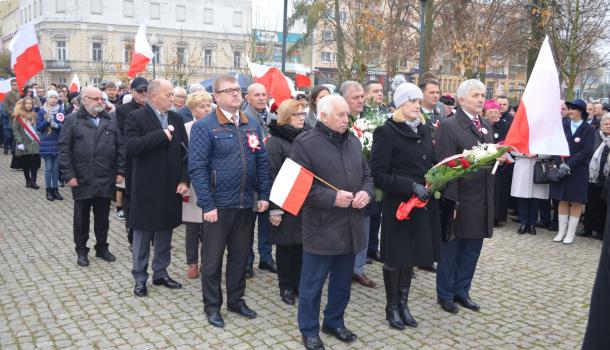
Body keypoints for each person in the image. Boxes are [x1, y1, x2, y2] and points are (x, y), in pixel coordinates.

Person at [291, 94, 374, 350]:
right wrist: (332, 198)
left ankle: (334, 321)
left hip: (351, 226)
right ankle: (309, 330)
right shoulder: (305, 143)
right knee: (312, 285)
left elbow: (368, 176)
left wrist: (365, 193)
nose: (345, 119)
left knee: (341, 284)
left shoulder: (352, 140)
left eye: (347, 114)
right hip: (321, 228)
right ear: (323, 116)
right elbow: (298, 187)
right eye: (340, 115)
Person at [188, 75, 270, 328]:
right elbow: (197, 169)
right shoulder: (206, 126)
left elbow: (261, 161)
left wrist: (264, 195)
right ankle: (212, 306)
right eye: (229, 91)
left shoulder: (250, 124)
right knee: (212, 260)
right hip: (218, 206)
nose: (236, 94)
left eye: (238, 90)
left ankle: (236, 300)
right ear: (216, 96)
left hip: (246, 203)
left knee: (240, 256)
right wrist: (208, 204)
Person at [370, 83, 441, 330]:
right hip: (399, 204)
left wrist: (438, 178)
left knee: (410, 256)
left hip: (421, 203)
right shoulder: (386, 132)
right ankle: (391, 308)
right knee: (395, 257)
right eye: (411, 101)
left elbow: (430, 163)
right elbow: (378, 174)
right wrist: (410, 186)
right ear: (400, 104)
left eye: (418, 102)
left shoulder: (425, 130)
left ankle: (404, 304)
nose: (416, 106)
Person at [435, 79, 501, 314]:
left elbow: (486, 157)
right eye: (475, 95)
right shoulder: (449, 126)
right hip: (459, 199)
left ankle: (462, 291)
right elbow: (445, 166)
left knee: (472, 249)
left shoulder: (485, 124)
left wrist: (496, 157)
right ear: (461, 99)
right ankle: (445, 294)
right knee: (451, 249)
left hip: (481, 197)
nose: (481, 99)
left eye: (482, 95)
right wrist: (451, 201)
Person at [124, 79, 189, 297]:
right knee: (142, 234)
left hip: (171, 188)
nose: (173, 99)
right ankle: (140, 277)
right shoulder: (136, 117)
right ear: (153, 97)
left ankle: (160, 272)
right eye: (168, 95)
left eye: (173, 95)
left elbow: (185, 154)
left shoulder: (177, 119)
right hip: (146, 188)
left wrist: (184, 180)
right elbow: (132, 147)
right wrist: (159, 136)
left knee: (165, 232)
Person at [58, 86, 126, 267]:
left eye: (101, 99)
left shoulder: (110, 120)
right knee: (81, 218)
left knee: (103, 217)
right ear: (85, 100)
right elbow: (64, 150)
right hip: (82, 177)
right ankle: (81, 250)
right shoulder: (72, 120)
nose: (100, 102)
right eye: (96, 99)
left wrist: (120, 171)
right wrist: (69, 175)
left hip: (105, 176)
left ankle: (102, 247)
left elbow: (120, 147)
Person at [266, 99, 309, 306]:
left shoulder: (308, 137)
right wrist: (275, 209)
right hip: (285, 201)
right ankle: (286, 286)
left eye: (303, 114)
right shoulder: (276, 141)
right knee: (286, 247)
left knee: (302, 246)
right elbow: (271, 175)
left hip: (306, 201)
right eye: (296, 115)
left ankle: (300, 284)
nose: (302, 118)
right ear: (285, 117)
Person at [340, 80, 376, 288]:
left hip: (365, 182)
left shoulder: (371, 120)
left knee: (364, 226)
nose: (361, 100)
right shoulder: (339, 121)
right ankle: (341, 267)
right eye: (356, 97)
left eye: (362, 96)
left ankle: (358, 269)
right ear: (344, 100)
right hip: (342, 185)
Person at [242, 82, 277, 277]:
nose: (261, 98)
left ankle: (266, 258)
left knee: (267, 222)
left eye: (264, 94)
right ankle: (247, 261)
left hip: (270, 177)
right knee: (248, 224)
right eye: (257, 95)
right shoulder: (244, 118)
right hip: (250, 177)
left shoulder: (273, 118)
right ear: (248, 98)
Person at [550, 98, 595, 244]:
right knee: (562, 199)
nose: (569, 111)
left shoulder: (589, 129)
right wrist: (560, 163)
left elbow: (586, 151)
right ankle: (561, 232)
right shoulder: (563, 126)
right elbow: (556, 145)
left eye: (572, 109)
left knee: (576, 202)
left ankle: (570, 233)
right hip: (562, 168)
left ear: (580, 111)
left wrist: (569, 165)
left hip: (578, 170)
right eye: (568, 108)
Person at [182, 91, 213, 279]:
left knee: (209, 226)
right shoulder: (186, 128)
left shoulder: (218, 126)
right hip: (194, 183)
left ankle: (206, 261)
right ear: (193, 110)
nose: (207, 109)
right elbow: (183, 158)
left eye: (209, 105)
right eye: (202, 106)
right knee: (193, 226)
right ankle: (192, 262)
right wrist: (183, 181)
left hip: (214, 182)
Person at [115, 77, 149, 245]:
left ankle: (153, 236)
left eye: (146, 91)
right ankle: (132, 237)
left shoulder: (154, 108)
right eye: (141, 91)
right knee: (133, 200)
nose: (144, 94)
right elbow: (123, 141)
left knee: (151, 198)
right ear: (133, 92)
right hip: (133, 161)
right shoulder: (123, 111)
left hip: (152, 161)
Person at [581, 113, 610, 240]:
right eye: (606, 124)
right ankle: (588, 228)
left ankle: (601, 231)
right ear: (601, 125)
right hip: (592, 176)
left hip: (606, 178)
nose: (608, 126)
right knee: (590, 204)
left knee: (603, 205)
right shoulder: (594, 136)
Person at [482, 100, 511, 225]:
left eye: (496, 112)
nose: (493, 114)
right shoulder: (482, 125)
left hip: (500, 164)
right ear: (486, 113)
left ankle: (496, 216)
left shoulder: (506, 125)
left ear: (499, 113)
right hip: (485, 162)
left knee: (498, 191)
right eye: (490, 112)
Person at [36, 90, 65, 201]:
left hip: (58, 142)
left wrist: (57, 126)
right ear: (47, 98)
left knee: (56, 169)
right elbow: (39, 128)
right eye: (51, 97)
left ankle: (55, 189)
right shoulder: (42, 111)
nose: (53, 99)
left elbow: (65, 126)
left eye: (55, 97)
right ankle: (48, 190)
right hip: (46, 143)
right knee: (48, 168)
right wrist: (47, 121)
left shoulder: (61, 111)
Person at [12, 97, 41, 189]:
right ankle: (28, 181)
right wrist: (19, 141)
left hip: (34, 143)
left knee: (35, 164)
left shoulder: (35, 115)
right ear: (23, 105)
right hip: (24, 143)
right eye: (27, 103)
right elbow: (15, 129)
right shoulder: (18, 116)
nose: (28, 105)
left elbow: (38, 129)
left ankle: (33, 181)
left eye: (30, 103)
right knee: (26, 164)